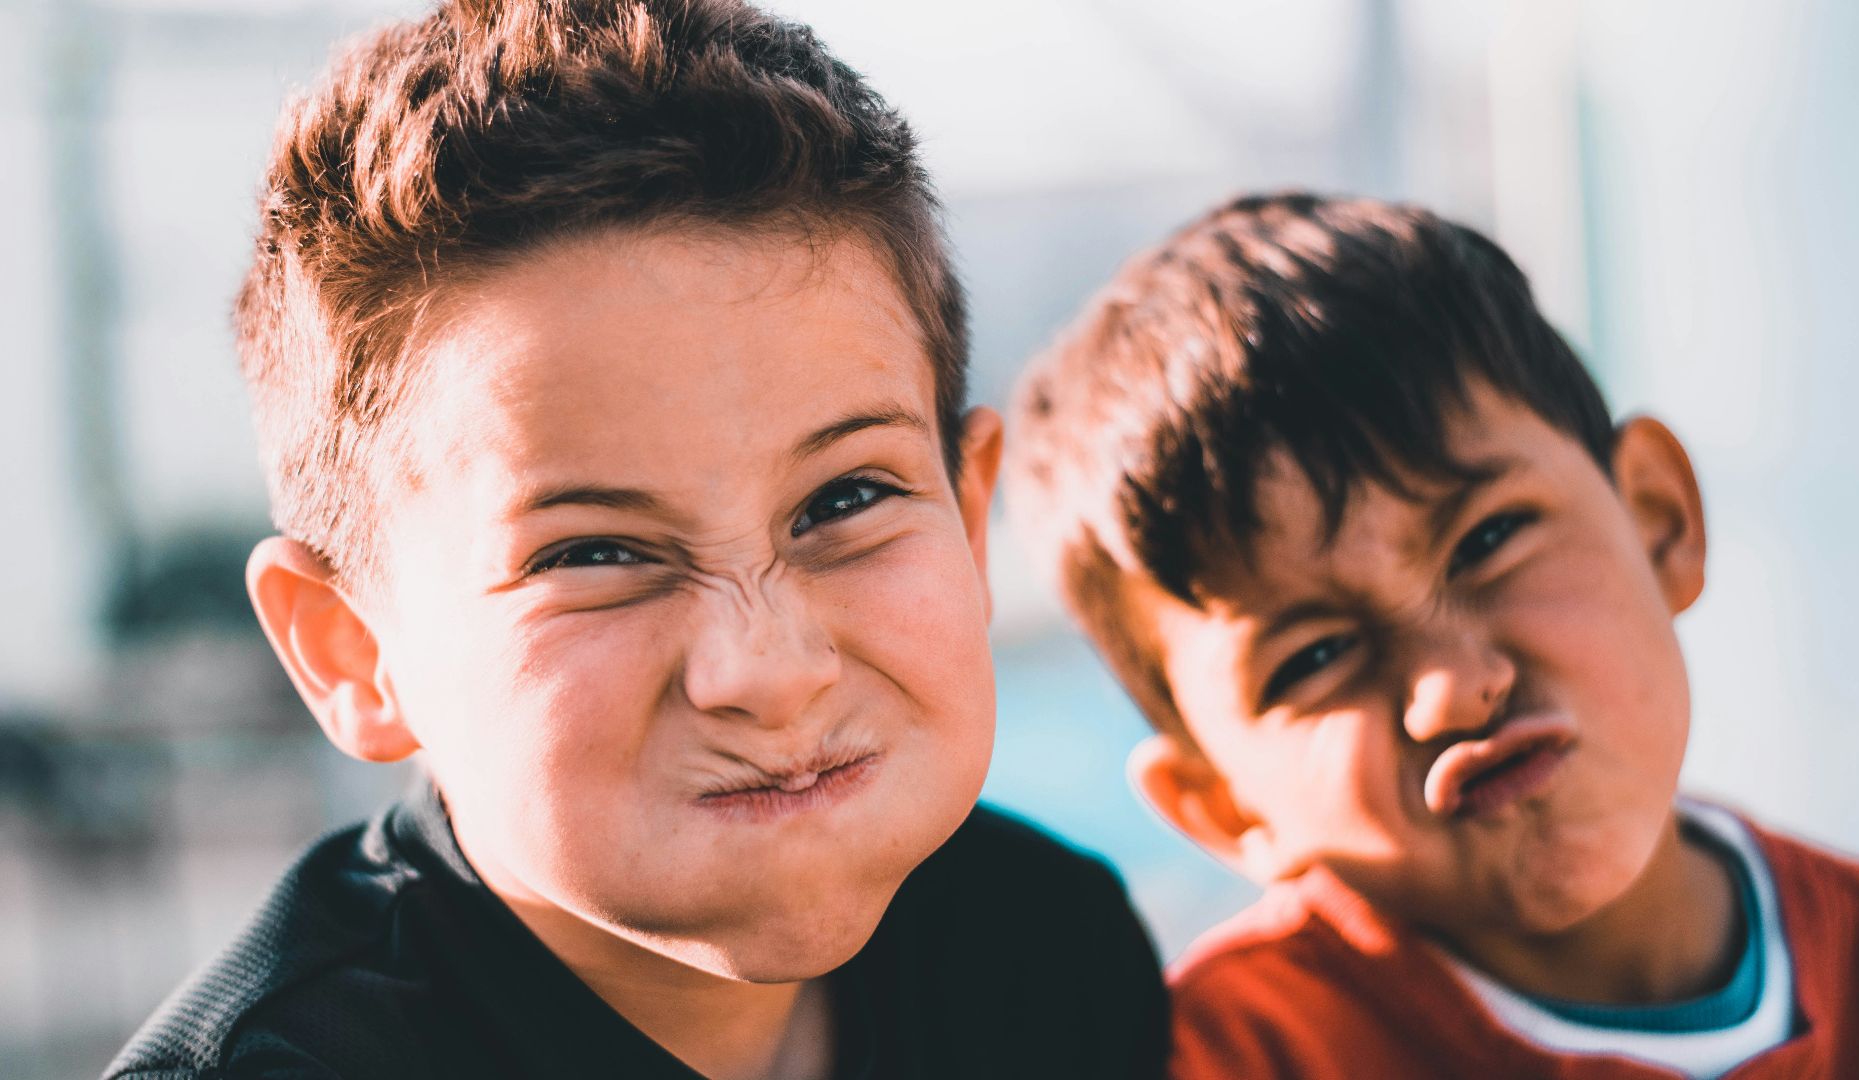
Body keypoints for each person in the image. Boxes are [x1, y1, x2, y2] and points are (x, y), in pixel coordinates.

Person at [105, 2, 1167, 1077]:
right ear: (351, 653)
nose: (768, 672)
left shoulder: (1048, 957)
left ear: (970, 518)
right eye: (593, 554)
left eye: (843, 500)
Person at [1004, 191, 1859, 1078]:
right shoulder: (1221, 1060)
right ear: (1222, 806)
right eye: (1314, 657)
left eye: (1488, 540)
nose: (1450, 688)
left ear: (1657, 519)